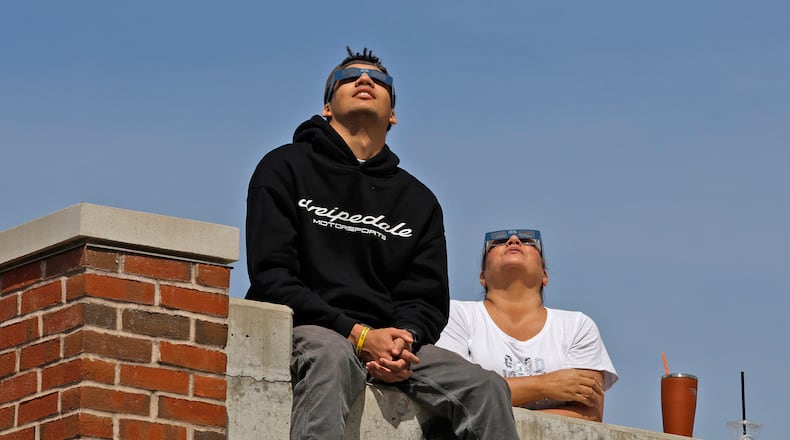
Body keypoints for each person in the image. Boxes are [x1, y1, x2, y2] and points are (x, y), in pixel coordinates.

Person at [245, 47, 519, 440]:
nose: (364, 80)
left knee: (487, 387)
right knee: (331, 355)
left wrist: (404, 343)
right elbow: (273, 276)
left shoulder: (418, 200)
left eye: (379, 80)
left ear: (393, 114)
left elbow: (426, 299)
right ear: (327, 107)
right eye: (349, 77)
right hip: (309, 328)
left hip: (390, 341)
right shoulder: (285, 167)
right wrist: (357, 334)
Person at [436, 229, 618, 422]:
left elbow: (589, 415)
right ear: (483, 277)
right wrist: (544, 385)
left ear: (544, 276)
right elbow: (450, 391)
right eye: (497, 242)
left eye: (528, 241)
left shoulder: (577, 327)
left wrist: (488, 408)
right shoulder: (455, 314)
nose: (513, 240)